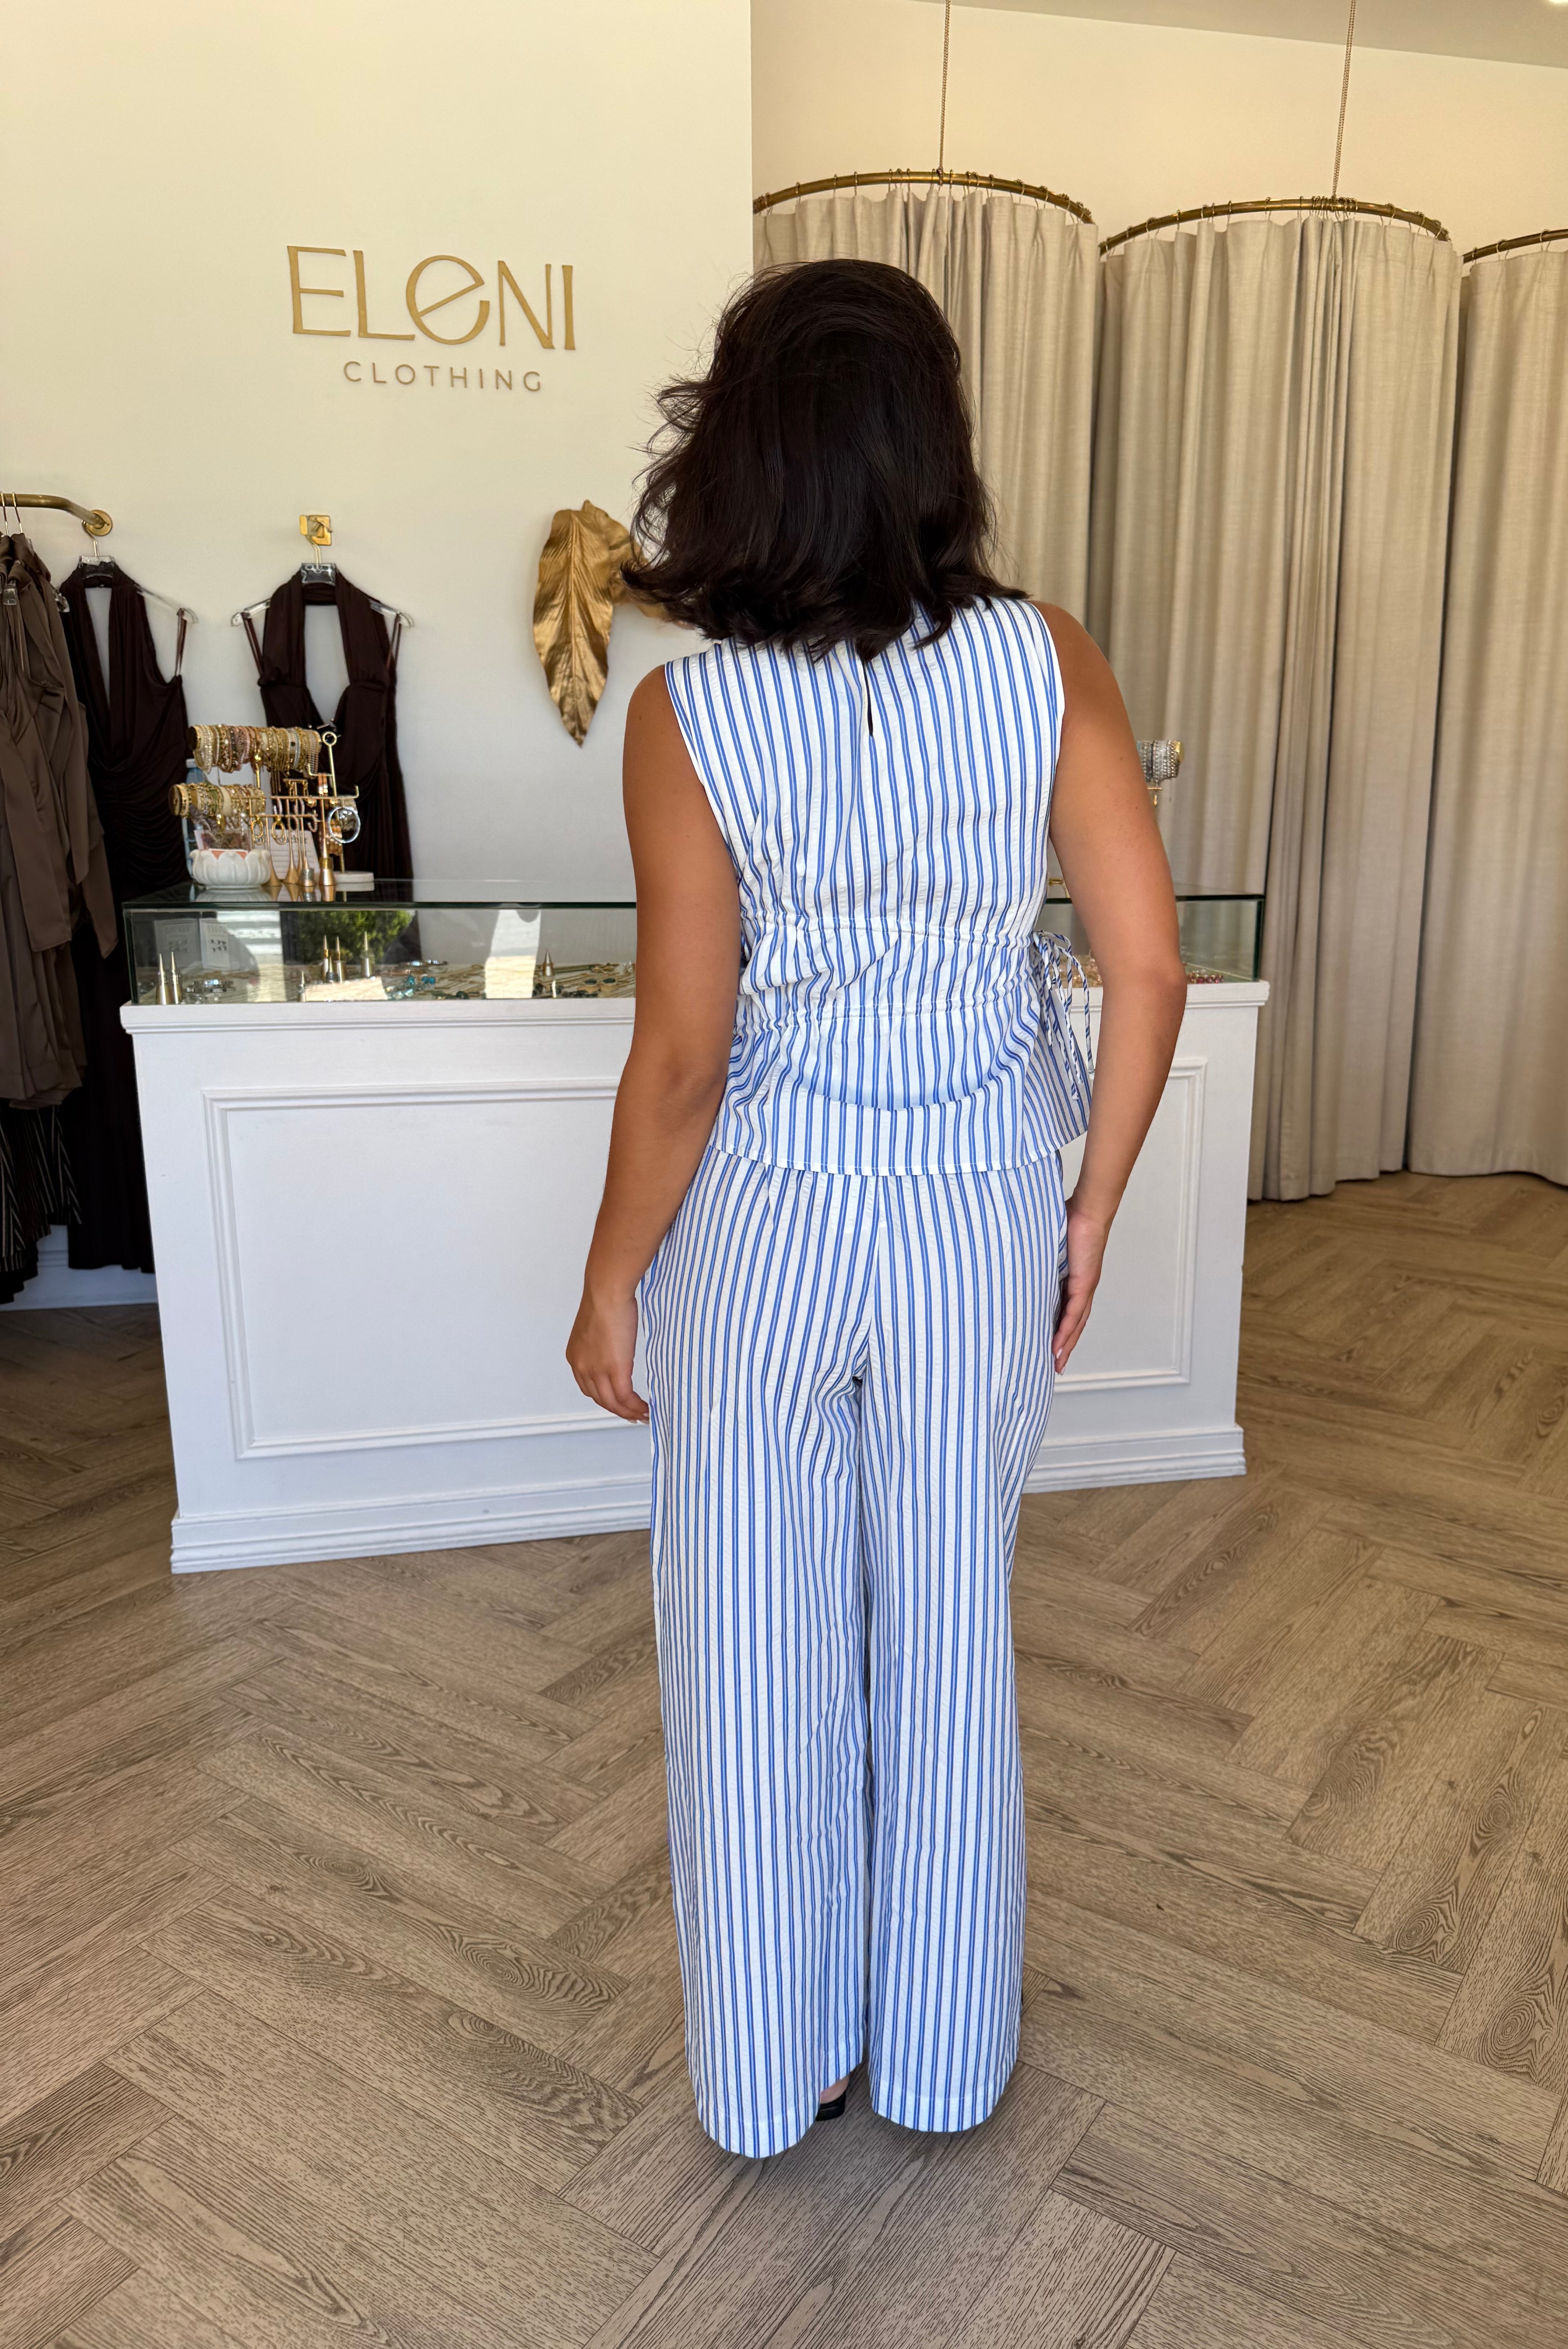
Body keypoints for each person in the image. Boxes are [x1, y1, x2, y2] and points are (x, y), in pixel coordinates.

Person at [565, 257, 1186, 2158]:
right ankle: (938, 2059)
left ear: (740, 451)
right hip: (978, 1206)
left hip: (763, 1218)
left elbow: (685, 1056)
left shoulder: (687, 715)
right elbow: (1148, 966)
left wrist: (609, 1281)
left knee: (749, 1651)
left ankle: (779, 2069)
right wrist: (1092, 1205)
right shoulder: (1046, 659)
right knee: (947, 1636)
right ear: (936, 442)